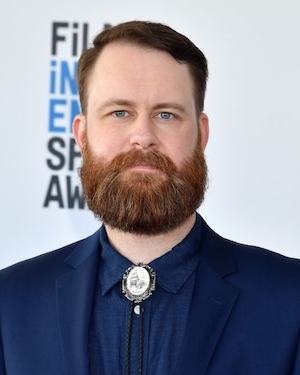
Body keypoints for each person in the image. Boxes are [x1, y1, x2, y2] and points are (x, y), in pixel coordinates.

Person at [1, 20, 300, 375]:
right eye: (120, 112)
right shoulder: (10, 302)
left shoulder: (291, 300)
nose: (142, 136)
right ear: (82, 134)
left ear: (201, 134)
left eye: (166, 114)